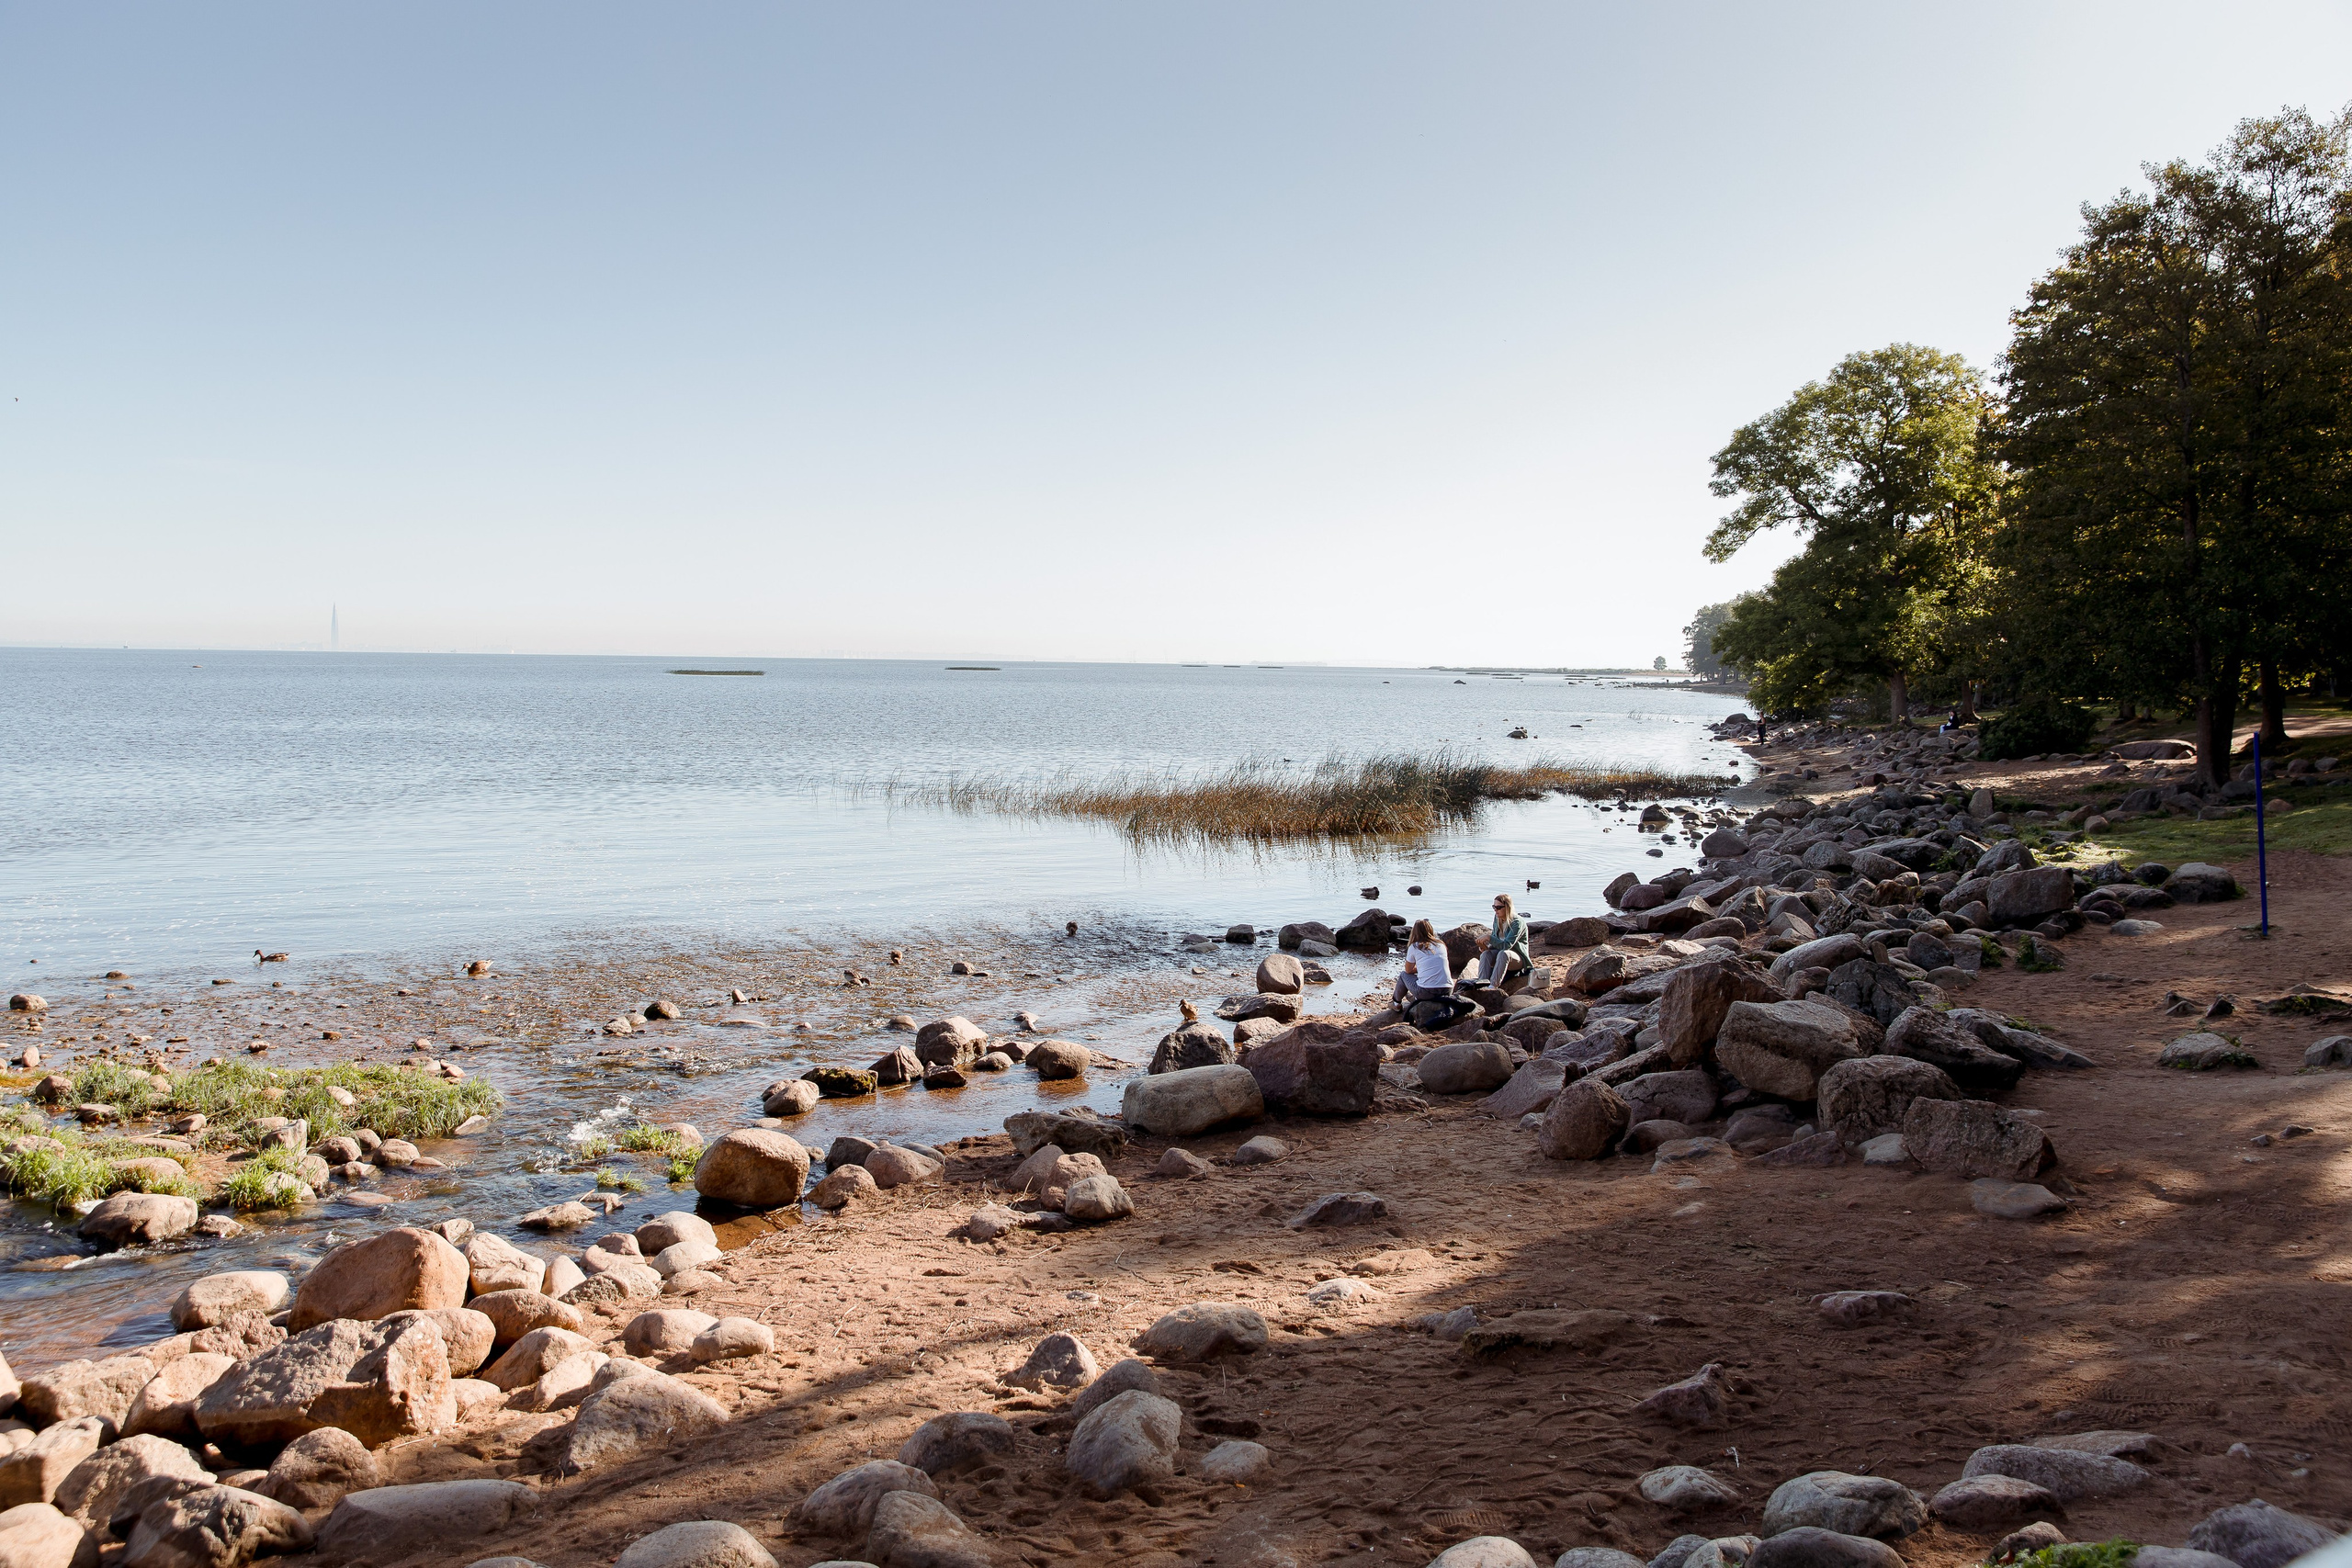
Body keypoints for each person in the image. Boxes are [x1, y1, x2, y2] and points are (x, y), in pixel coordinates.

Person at [1390, 919, 1456, 1013]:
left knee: (1403, 975)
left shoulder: (1415, 947)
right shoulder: (1441, 945)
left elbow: (1408, 970)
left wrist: (1419, 969)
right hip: (1447, 990)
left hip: (1427, 992)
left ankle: (1396, 1003)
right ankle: (1416, 999)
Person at [1476, 893, 1531, 987]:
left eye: (1499, 907)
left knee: (1503, 953)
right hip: (1500, 954)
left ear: (1507, 907)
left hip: (1517, 958)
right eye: (1494, 907)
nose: (1496, 910)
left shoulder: (1517, 922)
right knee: (1486, 954)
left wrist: (1489, 938)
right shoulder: (1498, 919)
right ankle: (1482, 983)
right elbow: (1496, 938)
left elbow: (1507, 945)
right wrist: (1487, 947)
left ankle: (1493, 985)